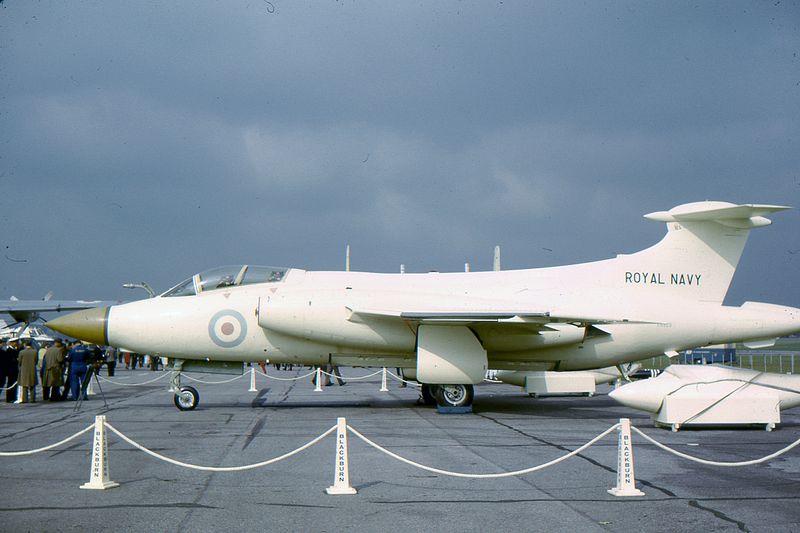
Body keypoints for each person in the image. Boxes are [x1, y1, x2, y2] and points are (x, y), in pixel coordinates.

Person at [0, 338, 20, 402]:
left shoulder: (14, 350)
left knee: (13, 384)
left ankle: (13, 397)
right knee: (10, 384)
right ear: (12, 343)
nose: (16, 344)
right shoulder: (9, 351)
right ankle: (10, 398)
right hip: (10, 371)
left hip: (13, 370)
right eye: (15, 342)